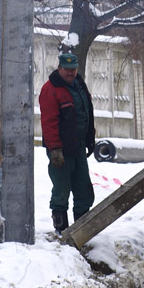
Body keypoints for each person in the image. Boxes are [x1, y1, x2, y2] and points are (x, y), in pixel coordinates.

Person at [38, 51, 96, 232]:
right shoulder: (50, 89)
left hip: (78, 147)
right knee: (62, 190)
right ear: (59, 68)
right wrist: (55, 149)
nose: (70, 73)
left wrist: (90, 138)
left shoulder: (79, 85)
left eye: (73, 69)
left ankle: (81, 230)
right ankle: (61, 230)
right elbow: (49, 122)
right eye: (67, 69)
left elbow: (86, 113)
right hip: (61, 150)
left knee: (84, 190)